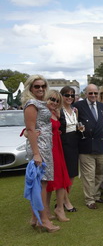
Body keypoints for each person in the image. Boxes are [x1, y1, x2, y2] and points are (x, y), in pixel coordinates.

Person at [22, 74, 60, 232]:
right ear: (30, 88)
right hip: (39, 148)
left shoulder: (41, 103)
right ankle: (44, 220)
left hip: (45, 145)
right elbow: (30, 129)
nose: (40, 89)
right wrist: (36, 154)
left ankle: (34, 218)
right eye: (37, 86)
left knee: (39, 183)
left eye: (43, 86)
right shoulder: (31, 103)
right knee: (41, 184)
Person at [73, 84, 103, 209]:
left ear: (98, 94)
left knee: (100, 174)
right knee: (89, 176)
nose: (93, 95)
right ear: (86, 94)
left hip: (101, 147)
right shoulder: (78, 106)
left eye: (95, 93)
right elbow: (71, 122)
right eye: (90, 93)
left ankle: (97, 195)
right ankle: (90, 200)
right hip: (86, 147)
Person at [45, 90, 72, 222]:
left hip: (58, 147)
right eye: (52, 99)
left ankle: (59, 208)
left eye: (57, 101)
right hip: (49, 150)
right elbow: (30, 129)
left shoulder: (55, 113)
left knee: (61, 178)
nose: (54, 102)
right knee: (49, 180)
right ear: (46, 98)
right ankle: (47, 210)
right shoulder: (42, 113)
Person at [59, 86, 79, 212]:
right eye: (67, 95)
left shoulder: (75, 110)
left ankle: (63, 200)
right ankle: (66, 202)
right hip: (63, 144)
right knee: (63, 174)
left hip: (74, 143)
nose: (70, 98)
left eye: (72, 95)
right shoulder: (58, 111)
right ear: (62, 96)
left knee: (72, 174)